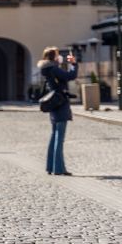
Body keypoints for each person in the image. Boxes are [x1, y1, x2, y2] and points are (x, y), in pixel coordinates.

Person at [39, 46, 77, 176]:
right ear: (54, 57)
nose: (59, 57)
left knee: (54, 136)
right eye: (57, 55)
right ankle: (59, 168)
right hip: (60, 104)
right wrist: (73, 63)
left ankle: (50, 167)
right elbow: (71, 76)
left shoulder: (46, 69)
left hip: (53, 103)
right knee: (59, 138)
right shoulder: (54, 69)